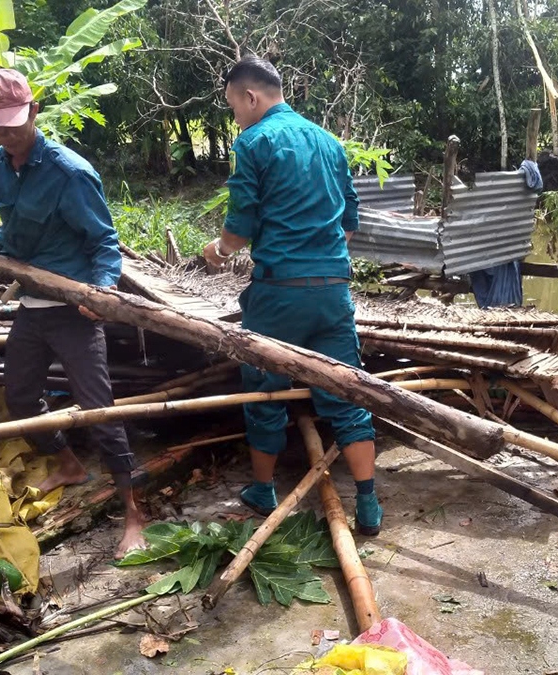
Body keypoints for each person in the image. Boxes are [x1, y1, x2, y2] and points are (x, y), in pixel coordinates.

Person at [0, 69, 145, 557]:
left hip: (73, 309)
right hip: (31, 305)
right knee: (21, 395)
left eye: (13, 123)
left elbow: (104, 242)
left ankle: (135, 513)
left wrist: (100, 291)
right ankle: (69, 464)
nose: (5, 134)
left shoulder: (69, 172)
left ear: (33, 112)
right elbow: (12, 237)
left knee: (99, 410)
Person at [202, 56, 382, 535]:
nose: (235, 116)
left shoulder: (255, 141)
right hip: (332, 292)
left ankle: (263, 491)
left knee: (264, 389)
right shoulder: (330, 142)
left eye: (232, 106)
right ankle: (368, 502)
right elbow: (349, 220)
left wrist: (217, 251)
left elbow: (240, 226)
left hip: (279, 294)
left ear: (251, 97)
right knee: (346, 391)